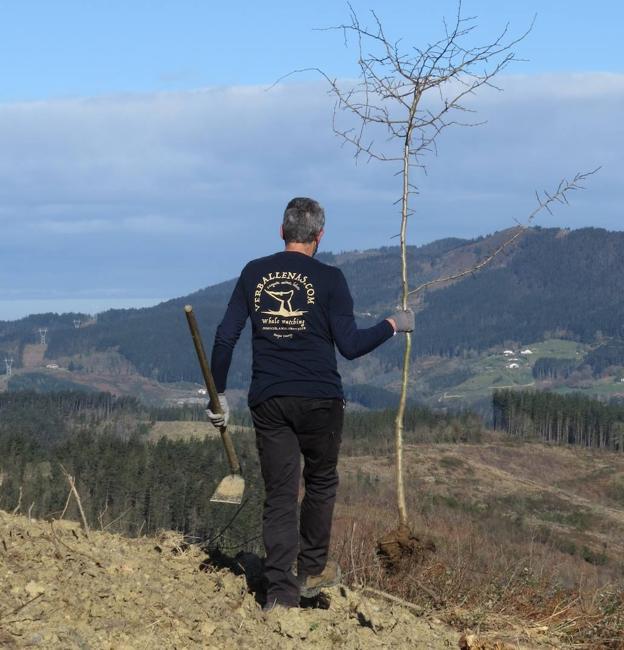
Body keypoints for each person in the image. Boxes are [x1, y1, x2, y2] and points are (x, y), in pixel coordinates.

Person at [207, 197, 414, 611]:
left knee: (281, 494)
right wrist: (393, 325)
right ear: (320, 236)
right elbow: (351, 347)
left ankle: (280, 595)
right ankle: (312, 569)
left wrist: (218, 394)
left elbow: (225, 336)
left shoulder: (253, 273)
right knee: (320, 483)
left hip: (270, 399)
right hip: (322, 400)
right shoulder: (331, 279)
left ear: (281, 232)